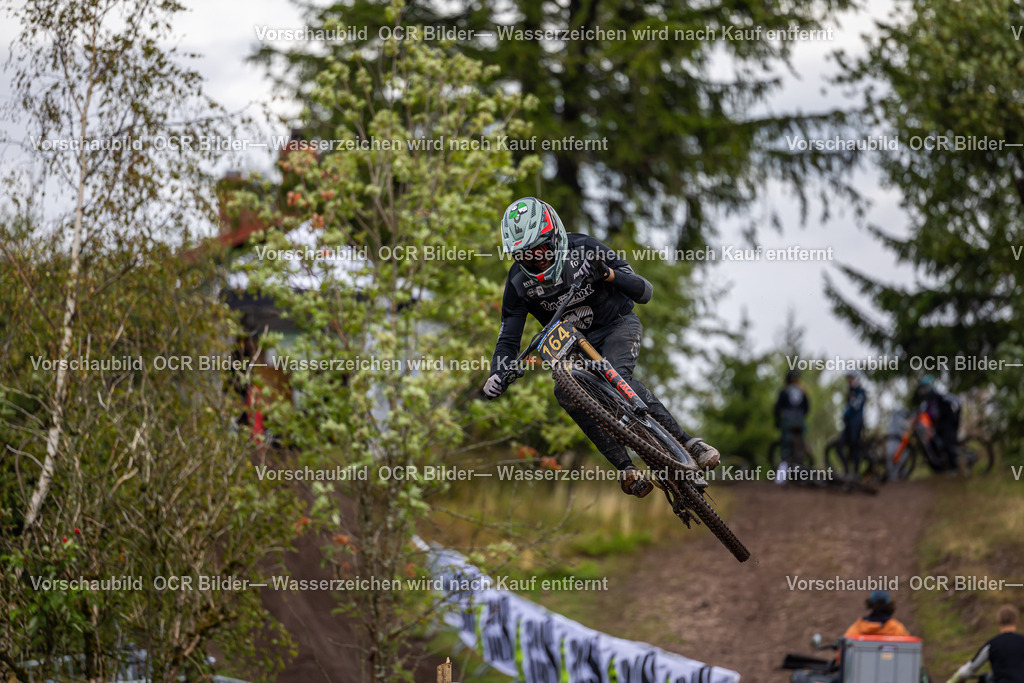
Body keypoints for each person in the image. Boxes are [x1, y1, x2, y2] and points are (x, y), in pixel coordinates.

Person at [481, 197, 720, 497]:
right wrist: (497, 373)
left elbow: (644, 290)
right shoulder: (518, 283)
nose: (536, 260)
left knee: (616, 375)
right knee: (564, 392)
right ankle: (626, 468)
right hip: (574, 347)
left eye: (540, 249)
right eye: (525, 255)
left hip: (617, 325)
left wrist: (608, 274)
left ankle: (687, 444)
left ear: (554, 237)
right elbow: (508, 339)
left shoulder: (585, 248)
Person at [946, 605, 1024, 683]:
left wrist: (952, 681)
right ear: (1016, 622)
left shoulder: (992, 645)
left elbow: (971, 668)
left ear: (998, 621)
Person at [916, 375, 962, 471]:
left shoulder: (941, 396)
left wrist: (957, 419)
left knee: (948, 445)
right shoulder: (927, 401)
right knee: (932, 444)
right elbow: (921, 412)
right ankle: (939, 469)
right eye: (923, 388)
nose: (924, 390)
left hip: (948, 423)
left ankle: (954, 468)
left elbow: (958, 401)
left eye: (925, 387)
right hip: (938, 426)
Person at [774, 369, 810, 480]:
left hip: (787, 421)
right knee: (799, 446)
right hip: (799, 422)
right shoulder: (803, 391)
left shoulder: (785, 391)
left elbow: (777, 408)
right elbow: (807, 408)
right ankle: (799, 475)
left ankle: (782, 476)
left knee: (786, 448)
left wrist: (777, 421)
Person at [839, 371, 867, 475]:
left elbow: (855, 406)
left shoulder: (860, 392)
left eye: (851, 378)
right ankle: (846, 470)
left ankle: (856, 472)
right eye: (848, 379)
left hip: (856, 423)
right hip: (848, 424)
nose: (849, 381)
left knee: (855, 447)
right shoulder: (850, 392)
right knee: (839, 446)